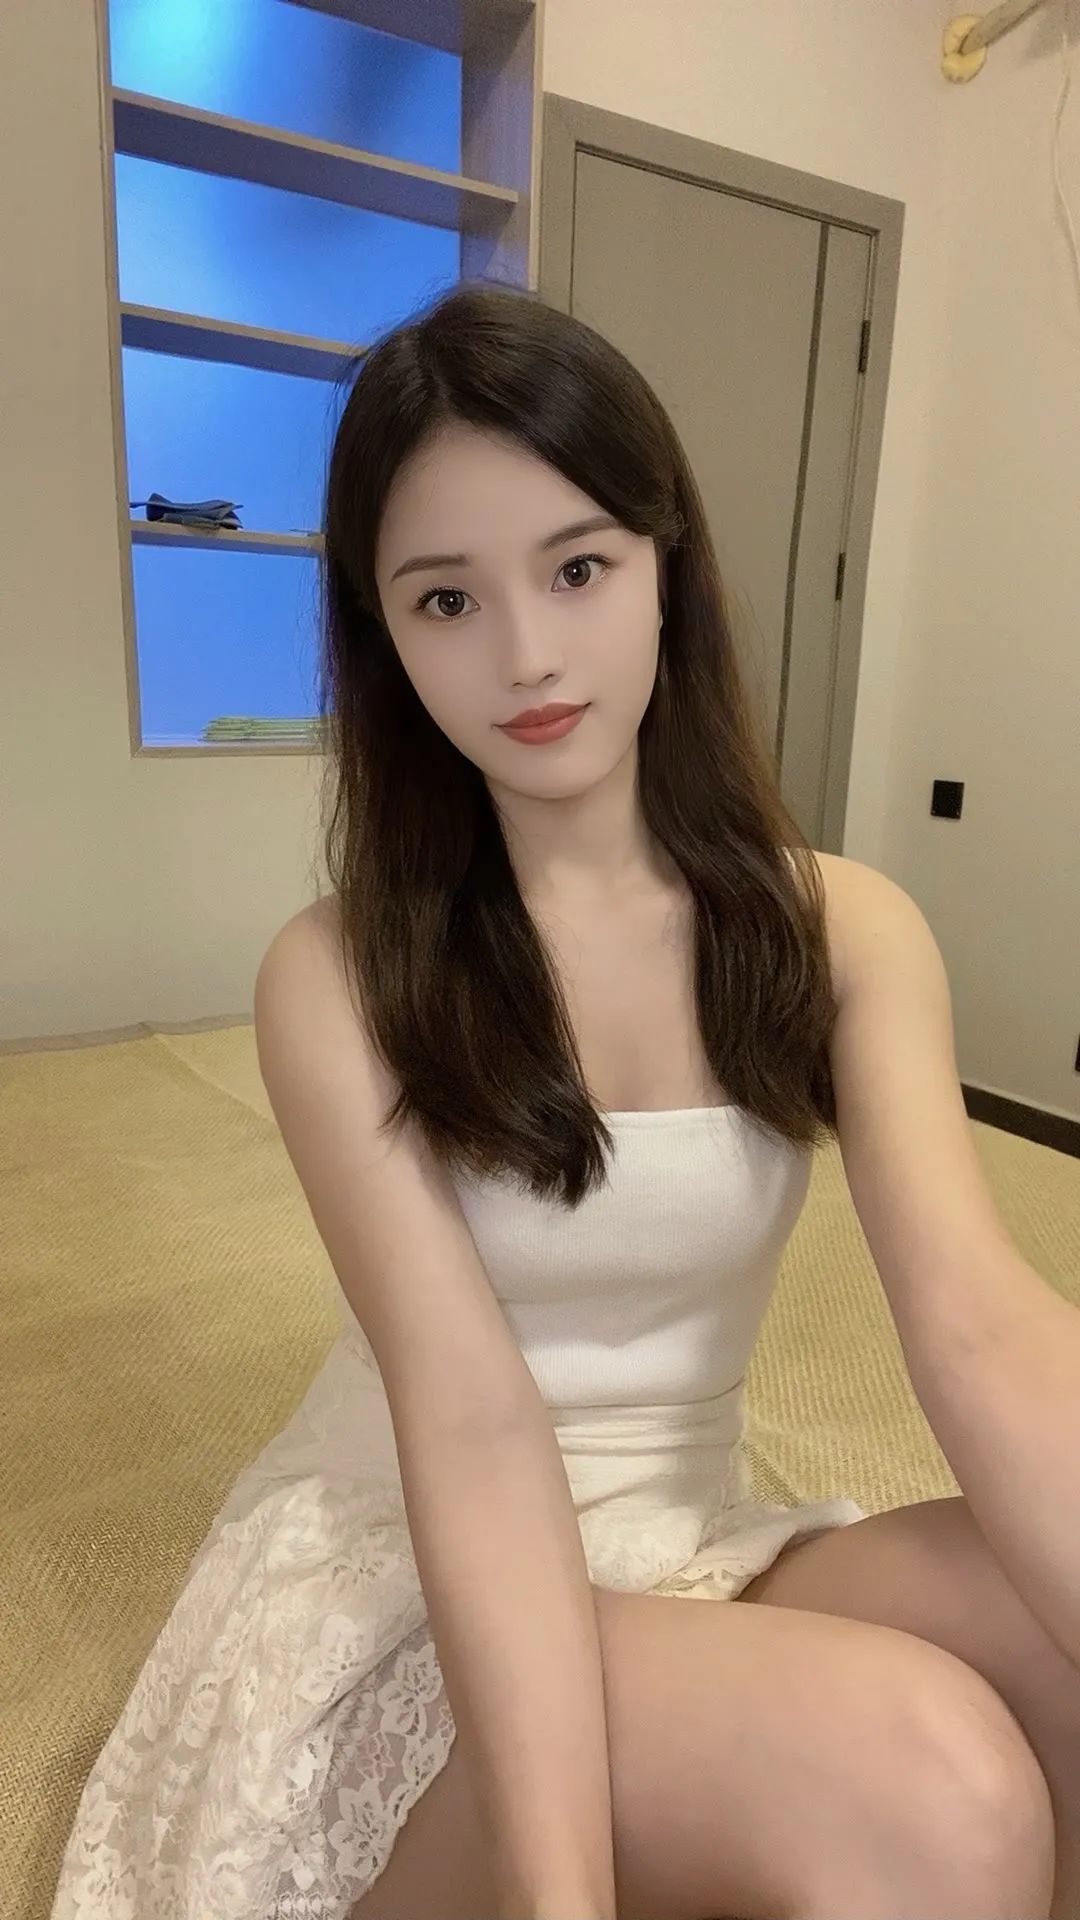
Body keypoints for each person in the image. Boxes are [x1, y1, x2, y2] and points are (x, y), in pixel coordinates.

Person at [49, 285, 1055, 1920]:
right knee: (943, 1787)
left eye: (578, 569)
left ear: (666, 566)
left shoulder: (844, 928)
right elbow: (470, 1419)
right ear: (384, 634)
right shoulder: (339, 975)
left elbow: (980, 1325)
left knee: (1049, 1646)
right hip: (416, 1581)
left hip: (692, 1532)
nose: (524, 655)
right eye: (447, 600)